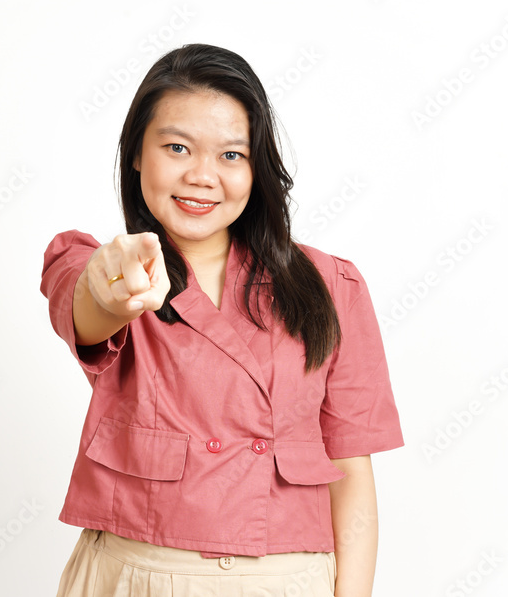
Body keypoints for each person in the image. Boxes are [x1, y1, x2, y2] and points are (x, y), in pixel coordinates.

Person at [40, 43, 404, 597]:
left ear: (257, 168)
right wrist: (112, 288)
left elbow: (351, 470)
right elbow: (90, 306)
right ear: (136, 152)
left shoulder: (331, 285)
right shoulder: (100, 264)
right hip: (135, 576)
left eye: (231, 155)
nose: (202, 176)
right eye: (177, 147)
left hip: (288, 582)